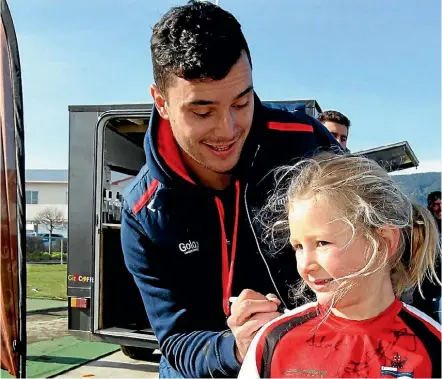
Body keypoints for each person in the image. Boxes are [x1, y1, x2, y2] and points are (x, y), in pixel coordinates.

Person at [120, 1, 339, 378]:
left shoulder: (306, 145)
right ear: (162, 102)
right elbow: (175, 340)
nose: (228, 129)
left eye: (242, 102)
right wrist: (235, 345)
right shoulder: (145, 211)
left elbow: (375, 243)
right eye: (202, 112)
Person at [238, 153, 441, 379]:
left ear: (383, 242)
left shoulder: (432, 345)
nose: (306, 265)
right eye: (298, 246)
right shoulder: (274, 341)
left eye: (322, 243)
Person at [412, 191, 441, 322]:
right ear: (430, 206)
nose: (440, 208)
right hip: (427, 278)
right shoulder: (424, 226)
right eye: (436, 205)